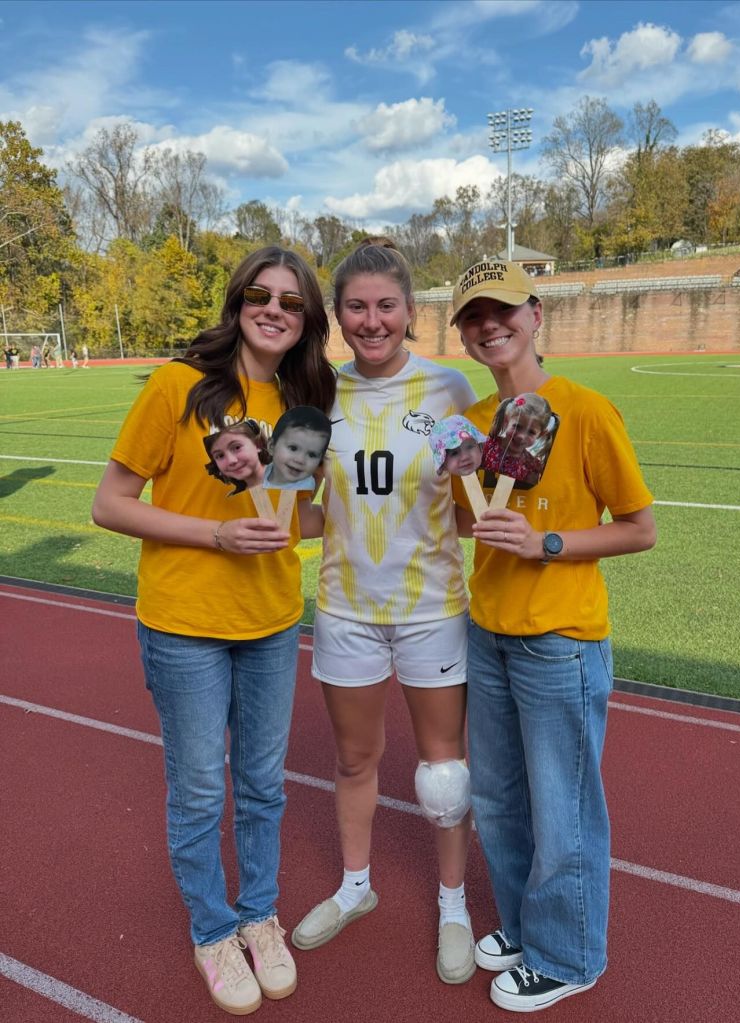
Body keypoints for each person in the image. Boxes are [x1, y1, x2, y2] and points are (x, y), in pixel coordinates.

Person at [91, 246, 336, 1017]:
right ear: (237, 302)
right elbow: (110, 503)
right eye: (261, 295)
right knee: (200, 789)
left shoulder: (301, 403)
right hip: (185, 624)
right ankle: (213, 930)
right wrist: (215, 535)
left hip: (270, 621)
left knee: (263, 784)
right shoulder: (179, 385)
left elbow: (293, 522)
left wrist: (356, 503)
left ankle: (259, 914)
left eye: (291, 302)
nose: (274, 310)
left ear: (307, 321)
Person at [449, 259, 657, 1013]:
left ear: (535, 315)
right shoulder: (475, 421)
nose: (490, 326)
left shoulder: (587, 411)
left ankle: (568, 956)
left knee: (562, 809)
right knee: (499, 799)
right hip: (488, 633)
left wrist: (549, 544)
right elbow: (467, 524)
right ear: (463, 335)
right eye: (474, 316)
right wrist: (458, 492)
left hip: (560, 642)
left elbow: (639, 528)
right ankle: (524, 924)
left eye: (503, 310)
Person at [291, 238, 479, 986]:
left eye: (386, 306)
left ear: (410, 312)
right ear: (338, 316)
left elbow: (475, 505)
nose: (372, 321)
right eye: (357, 307)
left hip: (432, 608)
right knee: (353, 759)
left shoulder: (450, 388)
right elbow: (299, 508)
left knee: (444, 772)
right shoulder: (318, 396)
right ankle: (355, 886)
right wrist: (261, 513)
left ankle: (454, 903)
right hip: (346, 609)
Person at [263, 405, 330, 491]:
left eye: (312, 455)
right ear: (271, 446)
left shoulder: (302, 489)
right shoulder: (262, 472)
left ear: (320, 461)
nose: (300, 460)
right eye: (293, 448)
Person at [204, 418, 271, 495]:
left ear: (258, 444)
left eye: (237, 447)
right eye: (220, 455)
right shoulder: (234, 497)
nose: (231, 460)